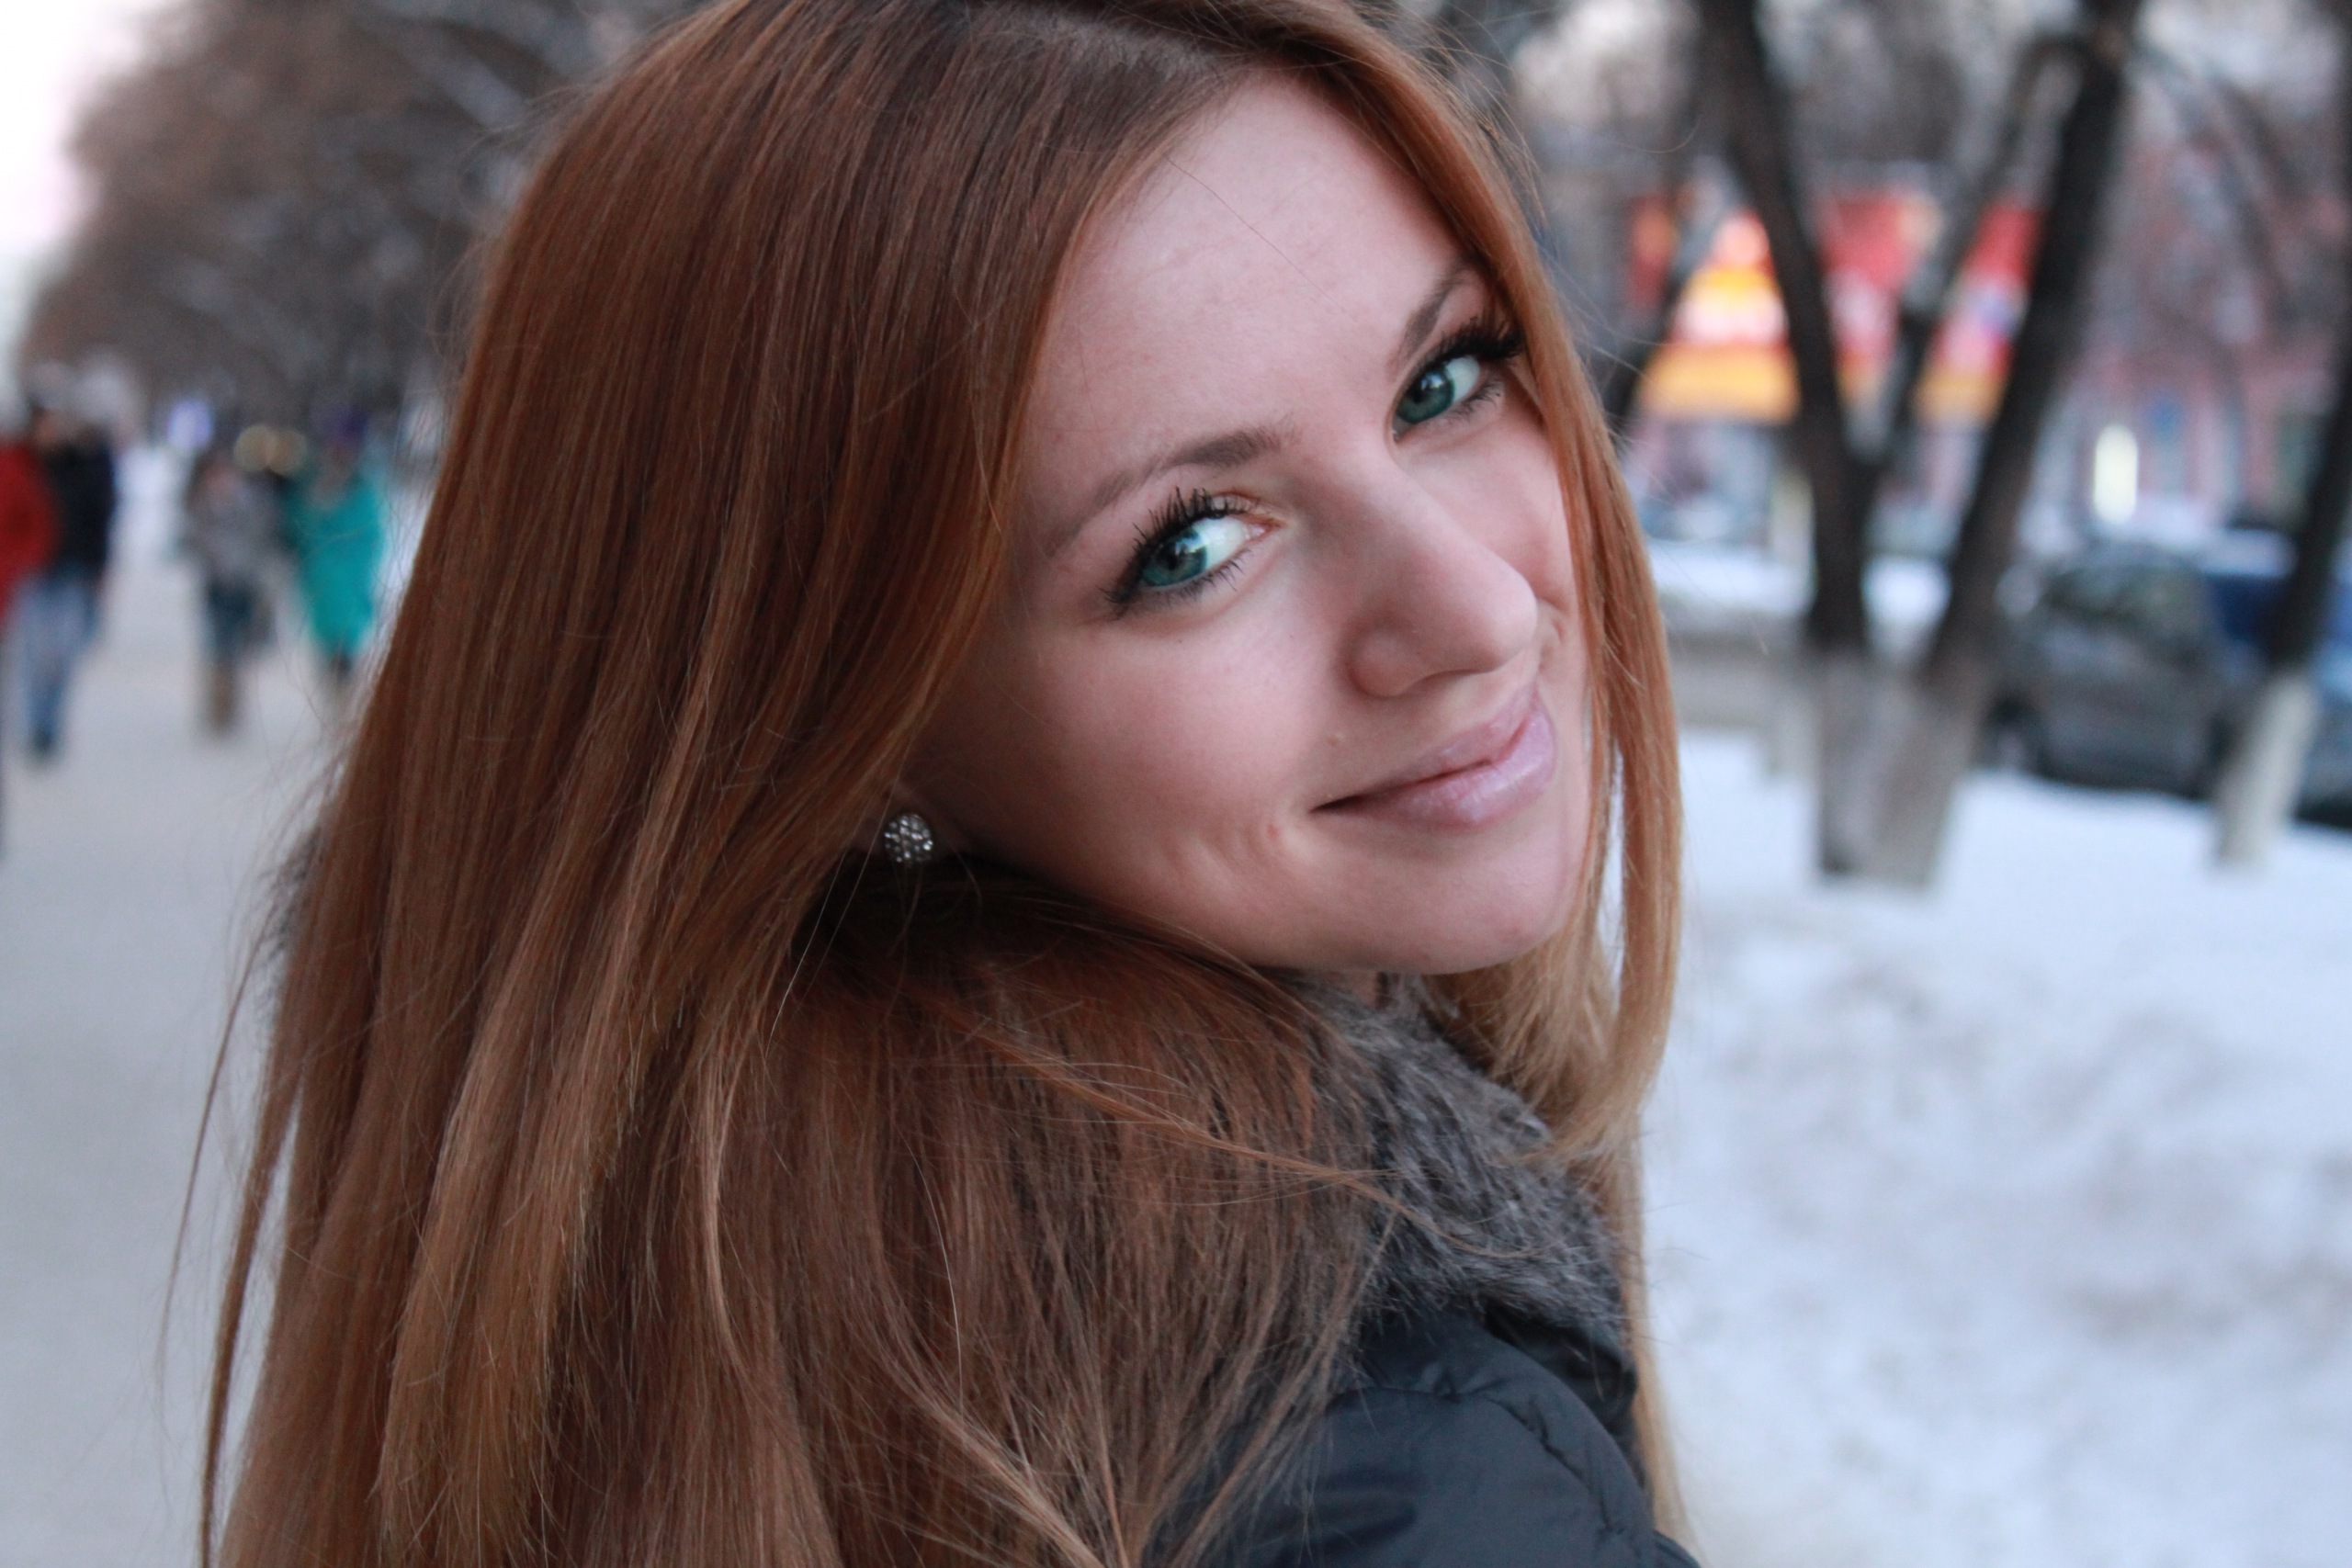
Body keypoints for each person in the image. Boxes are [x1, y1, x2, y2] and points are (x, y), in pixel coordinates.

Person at [205, 5, 1690, 1567]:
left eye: (1444, 383)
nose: (1475, 609)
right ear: (851, 745)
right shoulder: (1383, 1467)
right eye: (1190, 543)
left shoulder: (704, 1334)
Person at [17, 404, 117, 761]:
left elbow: (99, 518)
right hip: (34, 572)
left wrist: (99, 567)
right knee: (34, 656)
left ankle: (51, 724)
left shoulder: (83, 464)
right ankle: (35, 725)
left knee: (63, 653)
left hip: (73, 570)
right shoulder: (27, 466)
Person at [279, 417, 383, 704]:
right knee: (328, 648)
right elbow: (297, 526)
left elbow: (370, 539)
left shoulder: (361, 490)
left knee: (343, 649)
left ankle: (342, 701)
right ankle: (337, 700)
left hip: (345, 582)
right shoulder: (311, 487)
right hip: (321, 583)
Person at [183, 447, 279, 734]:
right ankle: (218, 706)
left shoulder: (253, 505)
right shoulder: (204, 507)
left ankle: (231, 703)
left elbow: (263, 541)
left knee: (237, 648)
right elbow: (194, 541)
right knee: (218, 646)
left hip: (245, 586)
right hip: (217, 586)